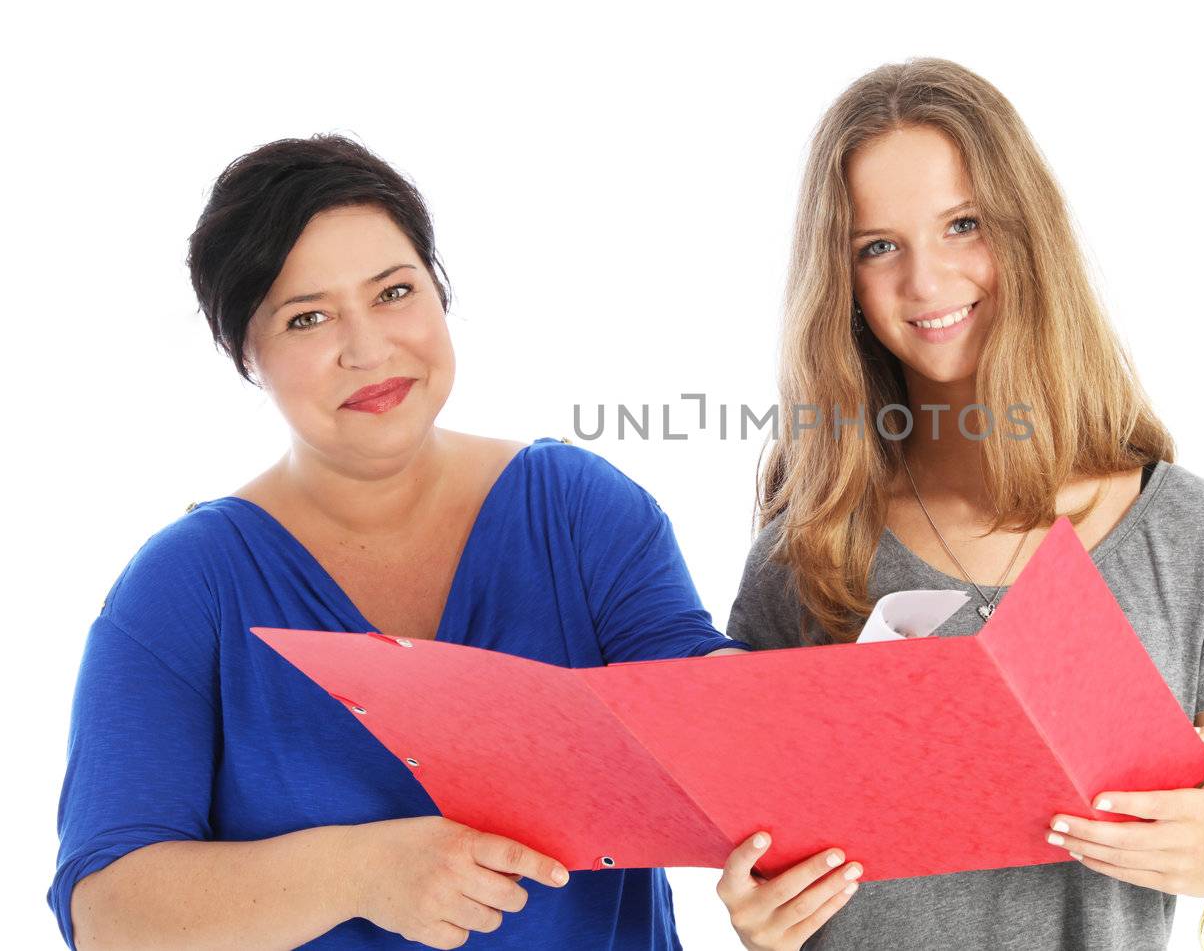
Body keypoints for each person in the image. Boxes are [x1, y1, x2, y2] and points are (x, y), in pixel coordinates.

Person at [48, 135, 749, 951]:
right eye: (307, 316)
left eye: (393, 292)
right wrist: (360, 871)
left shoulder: (581, 511)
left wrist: (799, 711)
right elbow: (107, 914)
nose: (368, 347)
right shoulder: (183, 587)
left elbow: (697, 710)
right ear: (247, 351)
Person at [715, 59, 1204, 950]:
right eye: (878, 245)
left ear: (1027, 233)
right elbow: (758, 855)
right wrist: (758, 922)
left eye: (963, 225)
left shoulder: (1192, 536)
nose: (925, 279)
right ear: (842, 282)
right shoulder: (807, 552)